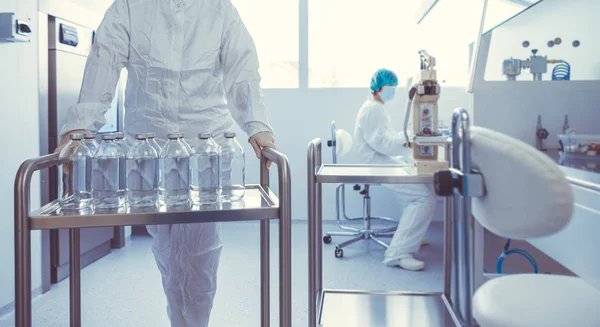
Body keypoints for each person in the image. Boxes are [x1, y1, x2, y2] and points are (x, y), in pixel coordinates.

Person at [56, 0, 276, 325]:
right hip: (149, 147)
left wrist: (256, 125)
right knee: (166, 248)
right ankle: (178, 318)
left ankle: (196, 321)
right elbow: (104, 60)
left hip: (206, 146)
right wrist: (80, 125)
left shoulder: (218, 9)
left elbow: (242, 69)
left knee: (201, 251)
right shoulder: (130, 6)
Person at [353, 68, 436, 271]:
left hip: (379, 161)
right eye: (390, 87)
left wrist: (406, 138)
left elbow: (385, 139)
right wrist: (409, 137)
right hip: (375, 165)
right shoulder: (373, 109)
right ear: (378, 87)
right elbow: (383, 144)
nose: (393, 91)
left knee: (421, 192)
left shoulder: (376, 107)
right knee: (422, 197)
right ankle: (397, 254)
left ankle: (411, 236)